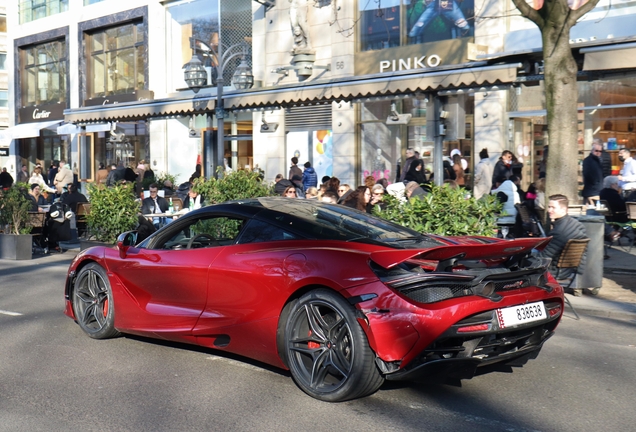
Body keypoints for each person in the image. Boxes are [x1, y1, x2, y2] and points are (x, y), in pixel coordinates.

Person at [538, 194, 588, 296]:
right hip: (573, 270)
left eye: (553, 207)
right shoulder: (577, 225)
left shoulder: (559, 231)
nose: (549, 210)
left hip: (556, 271)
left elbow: (544, 257)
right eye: (549, 207)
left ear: (563, 209)